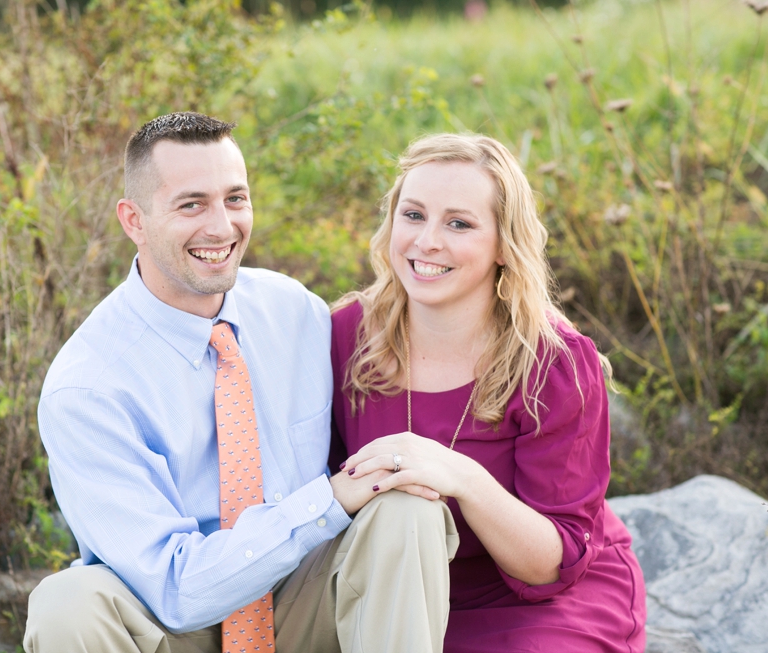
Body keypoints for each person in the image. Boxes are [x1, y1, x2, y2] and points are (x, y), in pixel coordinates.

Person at [24, 112, 459, 653]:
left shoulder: (295, 312)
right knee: (67, 604)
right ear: (133, 219)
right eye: (191, 204)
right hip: (177, 628)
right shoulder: (87, 387)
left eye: (235, 199)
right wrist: (327, 502)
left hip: (303, 602)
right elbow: (175, 589)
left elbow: (422, 329)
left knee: (405, 509)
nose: (221, 227)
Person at [329, 133, 647, 653]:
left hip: (539, 602)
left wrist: (464, 479)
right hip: (396, 589)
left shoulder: (554, 363)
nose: (427, 241)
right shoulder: (345, 336)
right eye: (413, 215)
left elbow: (551, 563)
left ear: (504, 243)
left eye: (459, 223)